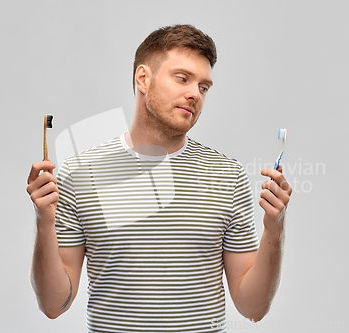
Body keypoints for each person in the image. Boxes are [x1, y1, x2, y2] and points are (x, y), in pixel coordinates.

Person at [26, 24, 292, 332]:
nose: (195, 94)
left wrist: (275, 226)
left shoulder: (226, 176)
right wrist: (44, 222)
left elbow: (253, 308)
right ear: (143, 78)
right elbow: (53, 305)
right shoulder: (79, 173)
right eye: (182, 78)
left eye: (204, 87)